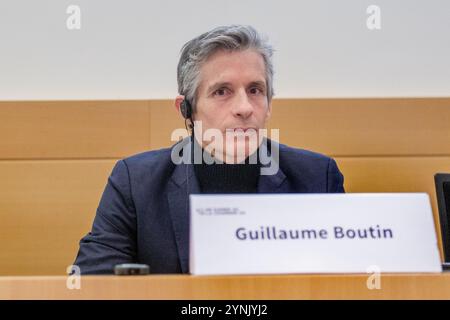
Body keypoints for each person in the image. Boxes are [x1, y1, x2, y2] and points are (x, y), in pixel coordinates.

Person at [74, 25, 345, 274]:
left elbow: (350, 282)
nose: (244, 108)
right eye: (221, 92)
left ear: (269, 103)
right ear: (186, 109)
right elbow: (93, 283)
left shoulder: (317, 177)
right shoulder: (135, 181)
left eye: (255, 90)